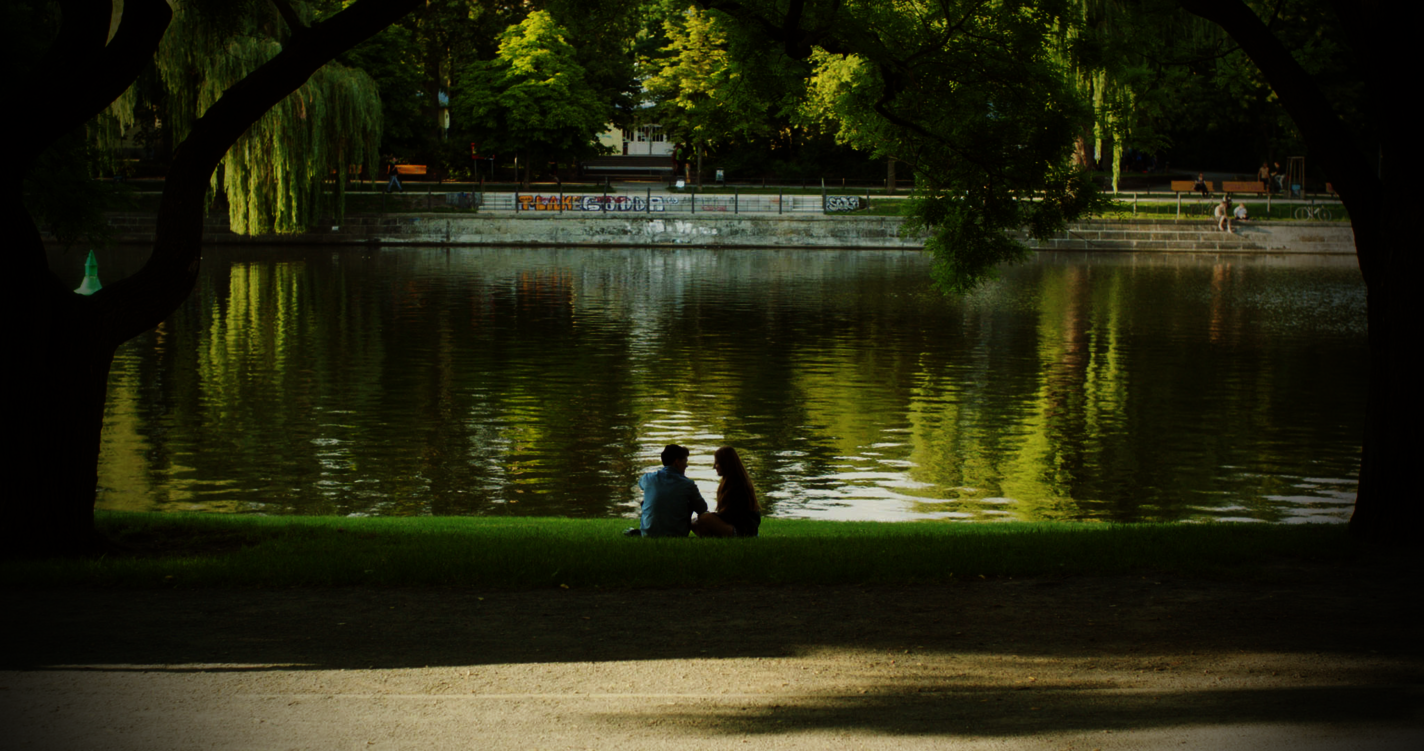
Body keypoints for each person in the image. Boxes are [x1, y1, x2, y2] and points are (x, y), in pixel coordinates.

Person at [630, 444, 707, 537]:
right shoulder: (688, 484)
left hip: (647, 534)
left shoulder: (647, 478)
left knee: (647, 500)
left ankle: (650, 527)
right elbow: (702, 508)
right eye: (685, 461)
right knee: (688, 502)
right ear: (677, 461)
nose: (687, 465)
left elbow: (642, 485)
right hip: (677, 534)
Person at [691, 446, 762, 538]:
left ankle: (715, 535)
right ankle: (712, 536)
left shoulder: (738, 485)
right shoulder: (730, 482)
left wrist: (713, 517)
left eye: (717, 463)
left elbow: (731, 516)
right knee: (695, 522)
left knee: (704, 518)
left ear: (725, 463)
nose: (714, 466)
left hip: (741, 530)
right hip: (734, 526)